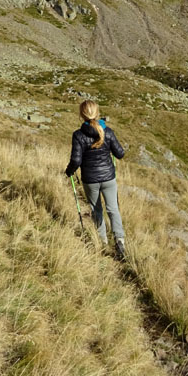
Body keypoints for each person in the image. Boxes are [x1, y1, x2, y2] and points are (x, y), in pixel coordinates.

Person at [65, 99, 126, 258]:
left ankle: (102, 242)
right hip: (108, 177)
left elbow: (76, 160)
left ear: (81, 115)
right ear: (97, 113)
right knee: (113, 208)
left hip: (90, 179)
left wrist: (69, 172)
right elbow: (120, 153)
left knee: (96, 210)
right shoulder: (108, 131)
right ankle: (119, 240)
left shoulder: (78, 135)